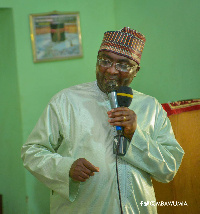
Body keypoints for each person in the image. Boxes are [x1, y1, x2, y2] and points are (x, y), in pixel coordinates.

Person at [21, 27, 184, 214]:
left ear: (136, 70)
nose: (112, 71)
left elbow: (169, 167)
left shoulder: (150, 107)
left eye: (123, 65)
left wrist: (135, 135)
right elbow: (31, 151)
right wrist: (66, 168)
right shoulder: (66, 101)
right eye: (105, 61)